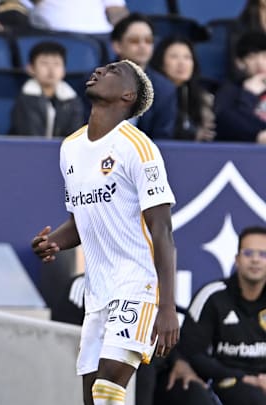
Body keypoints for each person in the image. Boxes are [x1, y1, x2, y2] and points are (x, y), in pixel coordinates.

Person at [31, 59, 179, 405]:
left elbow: (162, 230)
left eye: (113, 71)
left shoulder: (139, 148)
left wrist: (167, 306)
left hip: (138, 284)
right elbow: (80, 221)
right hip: (97, 292)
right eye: (101, 68)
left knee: (107, 386)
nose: (98, 71)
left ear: (128, 95)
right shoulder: (70, 148)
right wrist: (54, 242)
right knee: (92, 397)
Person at [53, 274, 218, 405]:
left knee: (192, 391)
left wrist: (178, 361)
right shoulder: (82, 286)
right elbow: (63, 340)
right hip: (100, 371)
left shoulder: (149, 289)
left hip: (151, 374)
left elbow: (162, 339)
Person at [179, 226, 266, 405]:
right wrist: (242, 377)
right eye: (248, 253)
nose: (255, 260)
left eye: (263, 254)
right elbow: (191, 353)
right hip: (224, 380)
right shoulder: (212, 295)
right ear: (237, 259)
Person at [110, 13, 177, 139]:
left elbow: (162, 138)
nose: (143, 46)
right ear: (117, 46)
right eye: (134, 41)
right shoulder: (95, 81)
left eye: (148, 41)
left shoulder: (165, 89)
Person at [9, 41, 84, 137]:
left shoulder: (72, 100)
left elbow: (74, 136)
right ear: (30, 68)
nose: (51, 69)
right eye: (44, 63)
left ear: (64, 70)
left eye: (57, 64)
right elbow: (30, 137)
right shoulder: (25, 99)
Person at [150, 36, 215, 142]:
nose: (181, 63)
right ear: (161, 62)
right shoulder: (152, 94)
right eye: (174, 57)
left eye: (187, 57)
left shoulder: (199, 95)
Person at [214, 31, 266, 143]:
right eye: (252, 57)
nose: (260, 63)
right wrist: (248, 95)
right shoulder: (230, 91)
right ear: (240, 63)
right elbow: (227, 121)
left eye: (264, 56)